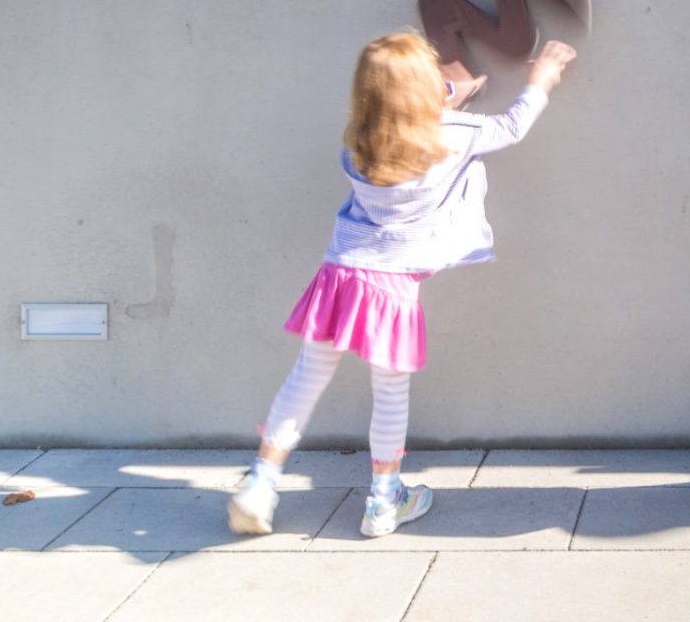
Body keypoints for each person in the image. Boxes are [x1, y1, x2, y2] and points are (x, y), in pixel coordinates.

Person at [227, 30, 576, 538]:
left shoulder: (358, 144)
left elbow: (406, 114)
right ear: (426, 90)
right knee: (390, 394)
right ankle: (385, 501)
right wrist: (540, 79)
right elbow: (511, 126)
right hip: (391, 291)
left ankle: (261, 483)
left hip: (339, 274)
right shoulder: (452, 136)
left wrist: (446, 95)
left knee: (304, 380)